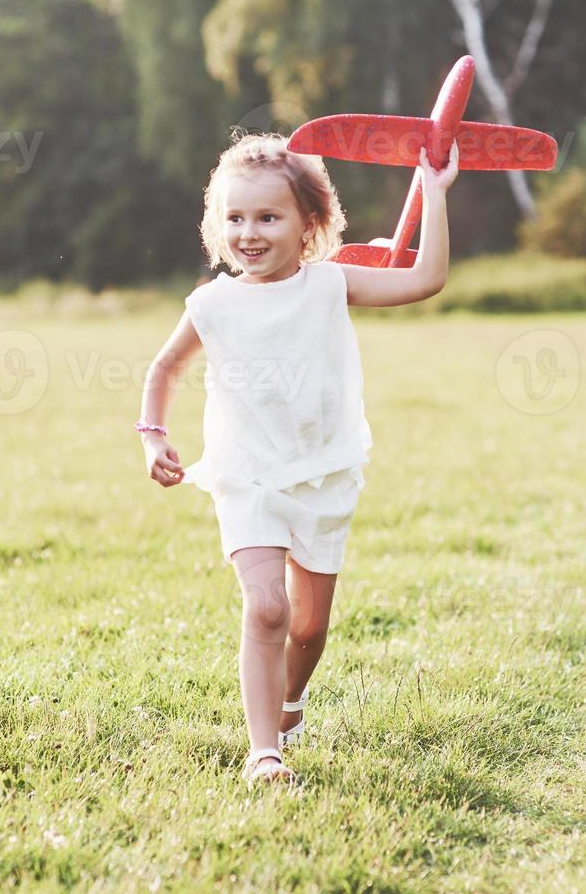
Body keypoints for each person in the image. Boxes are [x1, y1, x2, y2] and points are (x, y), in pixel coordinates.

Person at [136, 129, 459, 787]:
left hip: (322, 472)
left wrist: (434, 189)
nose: (248, 232)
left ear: (309, 223)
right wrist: (153, 434)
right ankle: (265, 754)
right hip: (246, 474)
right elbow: (165, 366)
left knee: (308, 627)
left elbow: (427, 278)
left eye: (267, 217)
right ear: (215, 224)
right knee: (268, 609)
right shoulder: (213, 304)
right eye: (234, 217)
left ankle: (289, 702)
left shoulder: (331, 285)